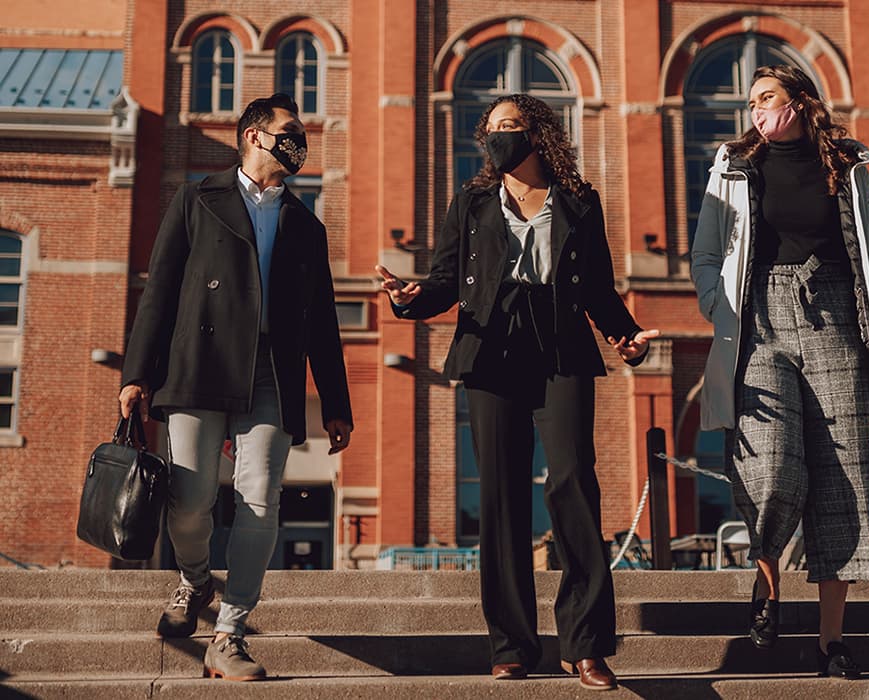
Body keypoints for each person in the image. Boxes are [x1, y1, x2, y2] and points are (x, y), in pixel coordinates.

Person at [376, 93, 658, 691]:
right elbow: (447, 282)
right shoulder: (473, 201)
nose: (499, 135)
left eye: (511, 125)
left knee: (573, 482)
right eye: (493, 127)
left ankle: (585, 645)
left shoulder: (580, 200)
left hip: (560, 341)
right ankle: (511, 645)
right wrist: (411, 298)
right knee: (501, 497)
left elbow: (599, 289)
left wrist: (627, 337)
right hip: (491, 343)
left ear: (539, 133)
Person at [119, 93, 353, 681]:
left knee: (260, 497)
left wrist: (336, 403)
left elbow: (322, 319)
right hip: (197, 365)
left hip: (272, 371)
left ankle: (230, 632)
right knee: (190, 499)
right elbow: (160, 291)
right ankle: (195, 582)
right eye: (289, 132)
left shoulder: (305, 224)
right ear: (254, 135)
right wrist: (136, 375)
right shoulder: (198, 198)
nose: (299, 142)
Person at [691, 65, 869, 679]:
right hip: (759, 317)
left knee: (842, 479)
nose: (757, 111)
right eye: (752, 102)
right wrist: (718, 302)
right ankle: (767, 587)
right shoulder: (734, 164)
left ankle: (830, 643)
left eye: (767, 99)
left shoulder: (848, 163)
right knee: (772, 463)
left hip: (838, 313)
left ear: (800, 101)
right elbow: (707, 252)